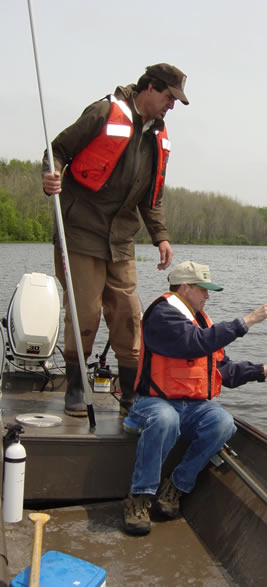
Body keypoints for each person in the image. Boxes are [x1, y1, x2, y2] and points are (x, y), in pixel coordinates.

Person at [41, 63, 189, 417]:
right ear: (150, 88)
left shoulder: (158, 136)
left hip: (121, 240)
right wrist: (51, 174)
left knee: (127, 314)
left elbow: (151, 197)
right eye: (169, 97)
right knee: (85, 313)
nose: (171, 105)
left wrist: (161, 238)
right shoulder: (104, 111)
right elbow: (56, 149)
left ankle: (131, 393)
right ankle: (75, 386)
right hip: (81, 233)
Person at [122, 260, 267, 535]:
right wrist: (250, 319)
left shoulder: (199, 321)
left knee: (223, 423)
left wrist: (264, 371)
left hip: (191, 406)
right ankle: (139, 497)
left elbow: (222, 370)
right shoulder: (163, 314)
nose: (208, 296)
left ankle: (175, 487)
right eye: (203, 290)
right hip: (153, 403)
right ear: (185, 288)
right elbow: (194, 343)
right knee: (165, 419)